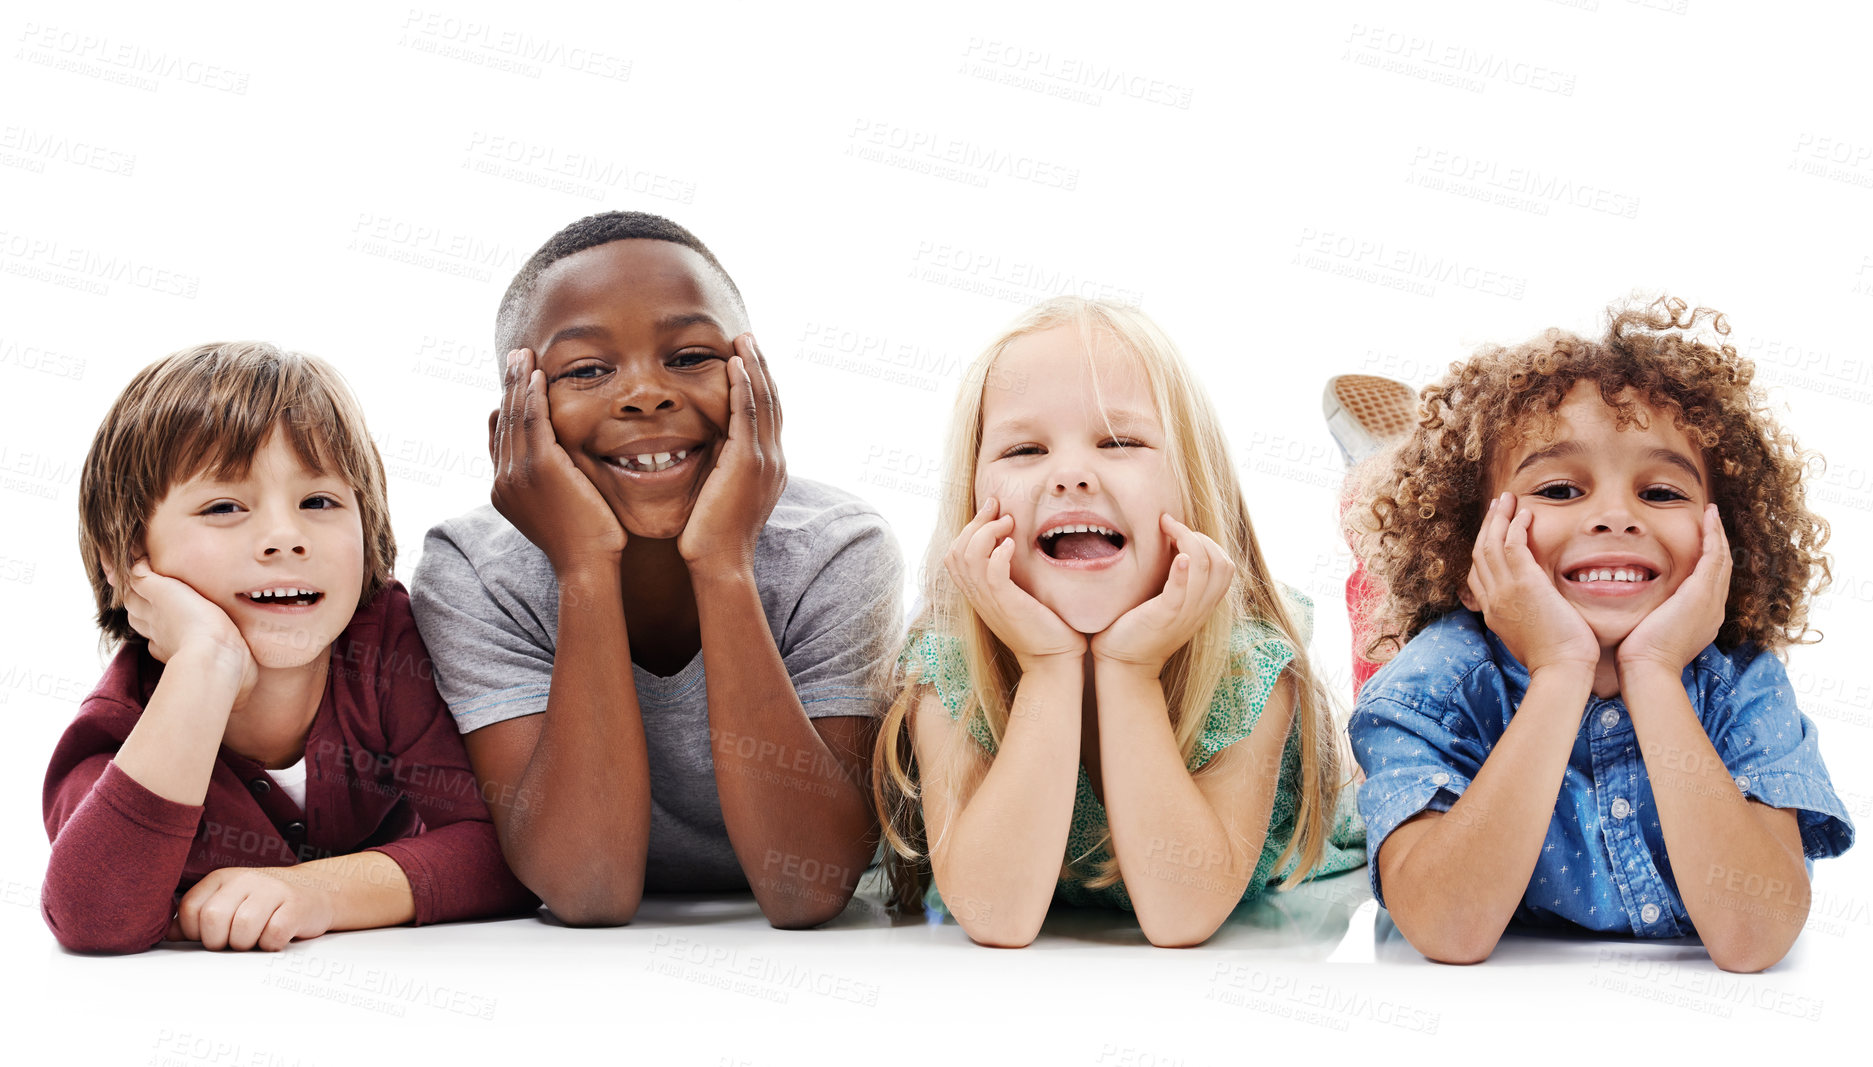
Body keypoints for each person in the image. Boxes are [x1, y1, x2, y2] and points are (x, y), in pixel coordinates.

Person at [411, 211, 901, 927]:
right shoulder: (474, 573)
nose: (645, 393)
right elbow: (587, 887)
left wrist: (724, 564)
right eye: (586, 370)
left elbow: (810, 889)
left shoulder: (837, 550)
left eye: (690, 356)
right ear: (516, 419)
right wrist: (583, 567)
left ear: (756, 386)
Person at [1343, 297, 1854, 971]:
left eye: (1662, 493)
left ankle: (1384, 463)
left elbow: (1754, 935)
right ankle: (1366, 474)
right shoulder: (1434, 680)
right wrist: (1558, 668)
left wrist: (1654, 669)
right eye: (1558, 490)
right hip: (1447, 622)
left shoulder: (1741, 681)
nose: (1615, 515)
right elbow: (1446, 926)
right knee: (1372, 606)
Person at [872, 297, 1361, 948]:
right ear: (972, 501)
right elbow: (995, 914)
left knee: (1390, 659)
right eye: (1024, 449)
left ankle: (1376, 484)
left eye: (1119, 441)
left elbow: (1182, 914)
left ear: (1196, 488)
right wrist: (1047, 666)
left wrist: (1130, 670)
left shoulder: (1249, 662)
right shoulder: (949, 667)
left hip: (1346, 799)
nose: (1070, 474)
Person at [44, 342, 532, 954]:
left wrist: (315, 892)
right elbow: (93, 915)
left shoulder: (389, 649)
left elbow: (510, 849)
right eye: (224, 506)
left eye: (319, 502)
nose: (284, 537)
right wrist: (206, 664)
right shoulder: (122, 726)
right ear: (126, 563)